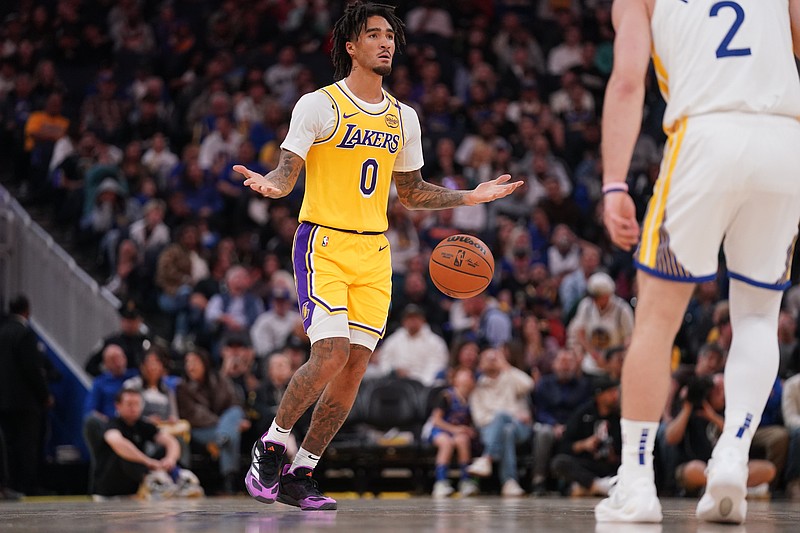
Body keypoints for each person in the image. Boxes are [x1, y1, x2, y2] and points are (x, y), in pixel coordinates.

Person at [233, 1, 521, 511]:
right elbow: (285, 173)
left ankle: (303, 473)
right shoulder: (318, 105)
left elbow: (411, 192)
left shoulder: (403, 117)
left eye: (390, 35)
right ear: (351, 47)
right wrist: (271, 186)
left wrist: (469, 197)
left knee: (355, 366)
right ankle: (273, 443)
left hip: (374, 250)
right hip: (323, 241)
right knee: (330, 353)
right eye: (374, 35)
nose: (386, 42)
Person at [595, 0, 800, 525]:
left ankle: (637, 483)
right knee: (758, 316)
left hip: (705, 134)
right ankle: (732, 452)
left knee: (657, 320)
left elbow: (625, 83)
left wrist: (615, 182)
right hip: (784, 136)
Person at [93, 389, 202, 499]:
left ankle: (177, 478)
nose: (133, 408)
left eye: (137, 404)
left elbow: (171, 441)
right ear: (118, 406)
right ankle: (156, 482)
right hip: (110, 487)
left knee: (172, 446)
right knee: (127, 452)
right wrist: (147, 461)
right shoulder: (112, 424)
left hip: (134, 485)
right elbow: (117, 442)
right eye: (129, 404)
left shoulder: (143, 424)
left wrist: (170, 460)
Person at [0, 295, 51, 495]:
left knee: (8, 445)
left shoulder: (2, 331)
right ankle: (27, 486)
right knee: (27, 445)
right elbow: (32, 369)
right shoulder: (25, 333)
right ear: (27, 311)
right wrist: (45, 395)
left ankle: (10, 484)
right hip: (25, 402)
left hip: (3, 402)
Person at [466, 347, 534, 497]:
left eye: (495, 358)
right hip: (491, 429)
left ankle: (486, 458)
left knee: (505, 421)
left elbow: (529, 384)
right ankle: (509, 482)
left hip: (520, 427)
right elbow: (480, 419)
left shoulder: (510, 377)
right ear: (480, 364)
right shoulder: (477, 388)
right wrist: (505, 417)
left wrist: (505, 365)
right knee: (505, 430)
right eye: (487, 359)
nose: (491, 361)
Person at [428, 366, 479, 498]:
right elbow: (436, 420)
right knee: (446, 443)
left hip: (457, 432)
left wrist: (469, 430)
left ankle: (465, 481)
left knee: (463, 440)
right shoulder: (447, 395)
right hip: (439, 429)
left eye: (470, 374)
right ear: (455, 379)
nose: (467, 376)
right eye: (464, 373)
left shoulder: (472, 398)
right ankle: (440, 482)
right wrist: (455, 429)